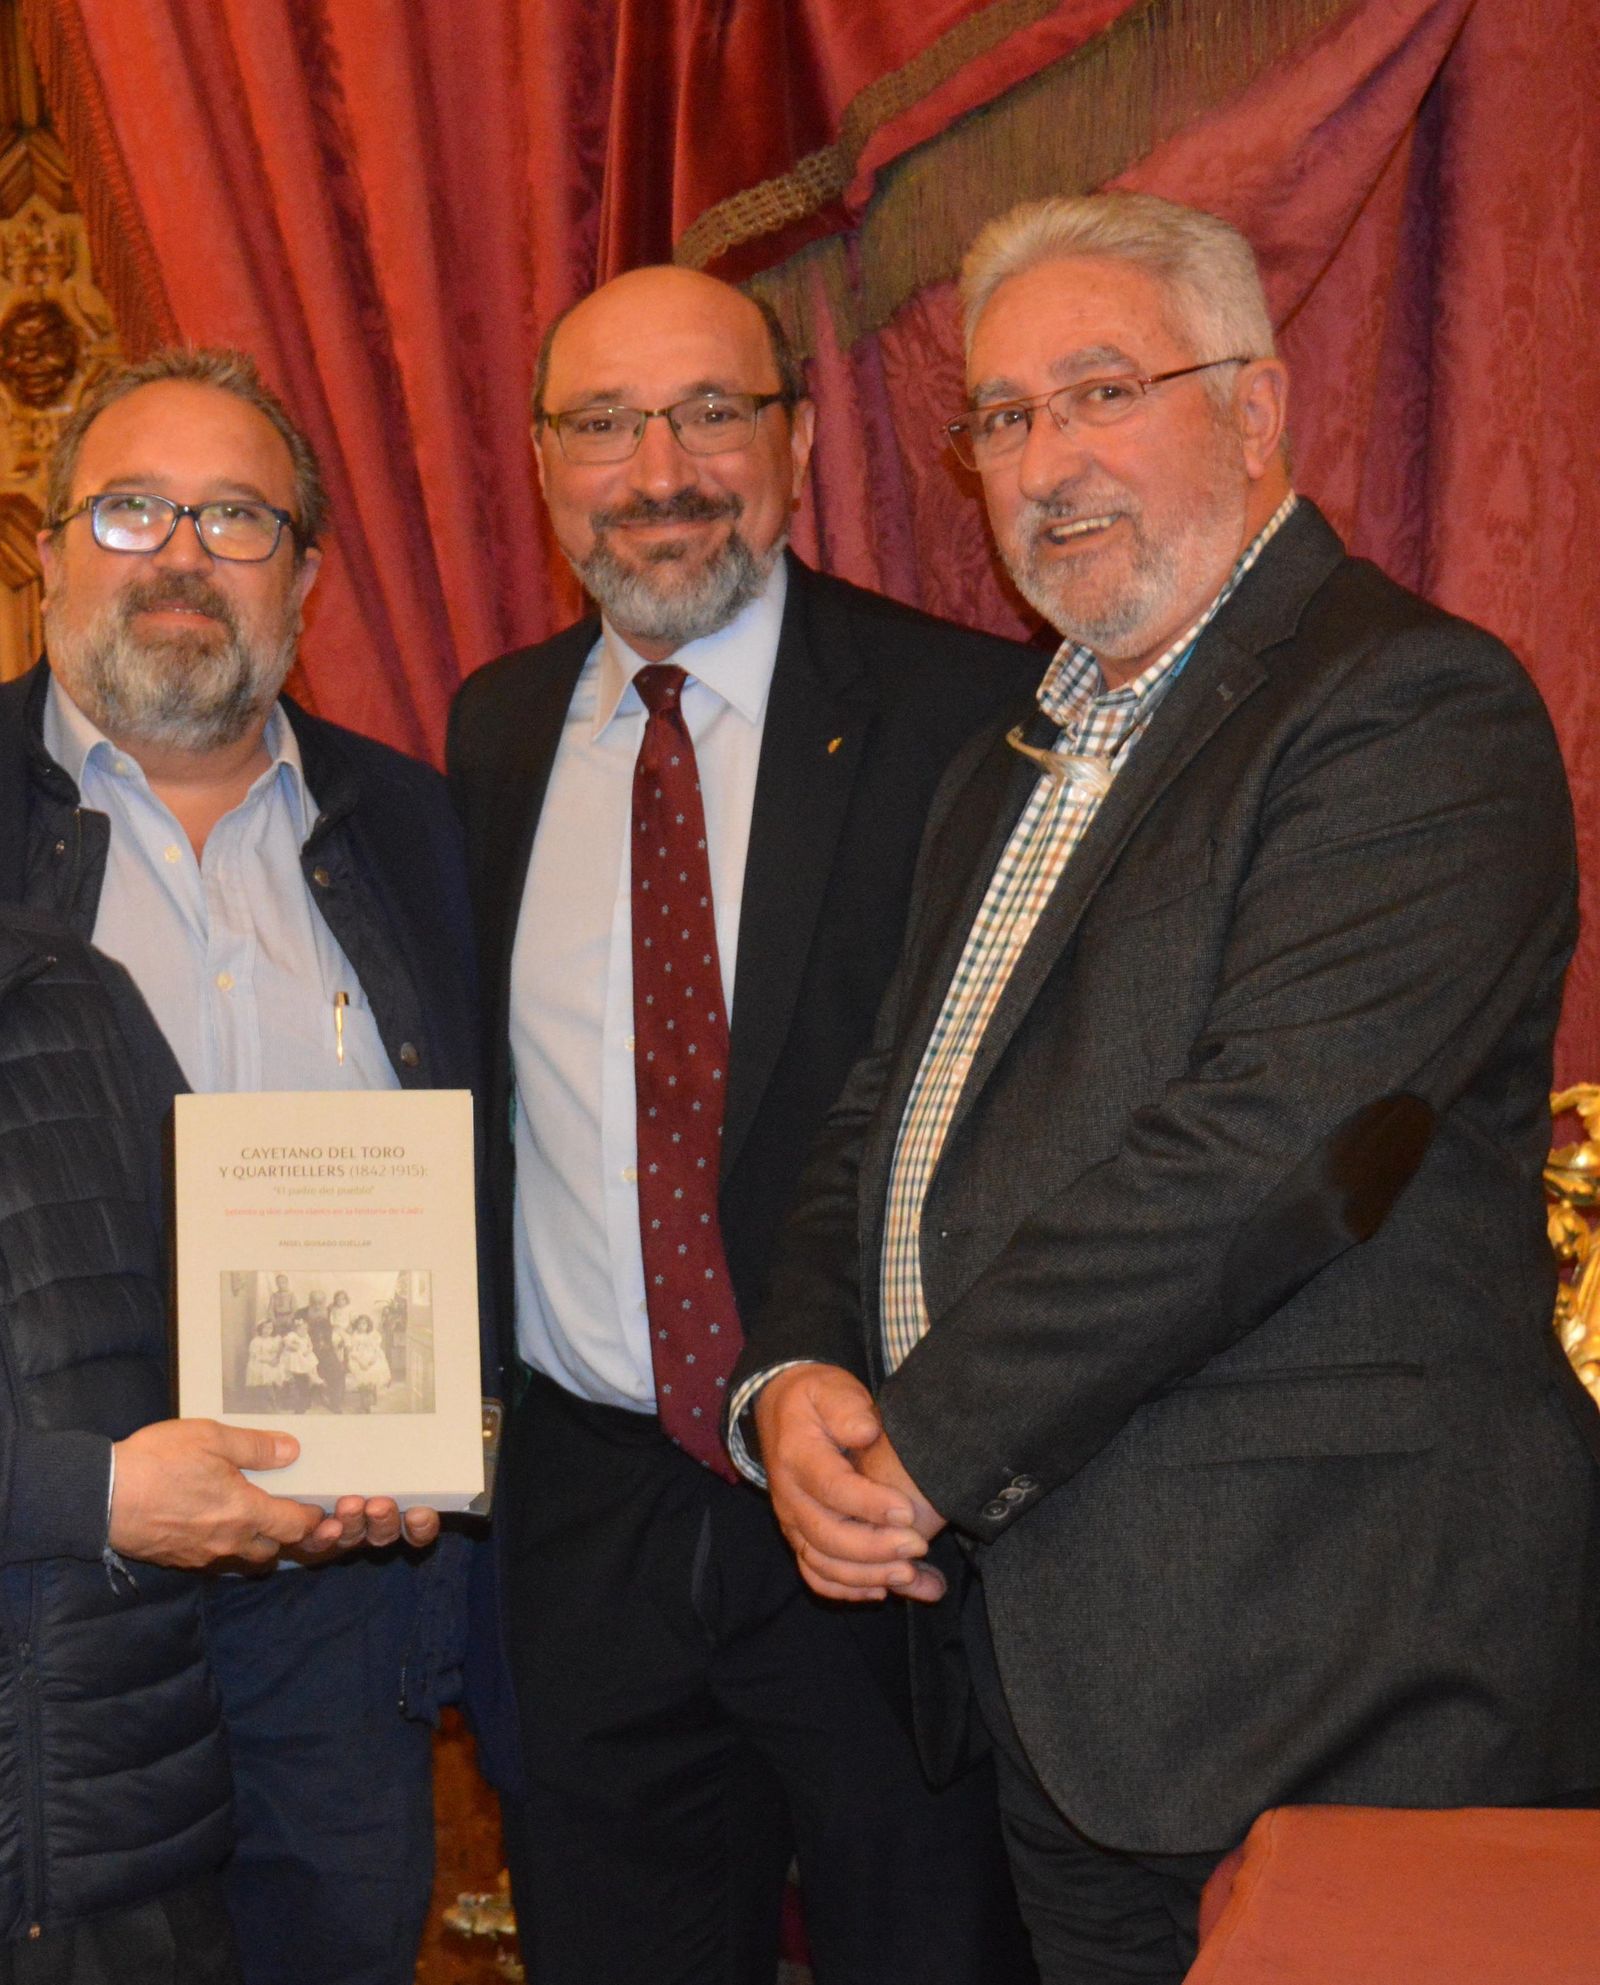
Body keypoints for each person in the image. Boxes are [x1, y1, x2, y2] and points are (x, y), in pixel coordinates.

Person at [739, 191, 1600, 1985]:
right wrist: (800, 1373)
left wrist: (920, 1442)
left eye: (1102, 391)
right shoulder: (1007, 761)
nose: (1046, 461)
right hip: (1072, 1691)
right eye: (1002, 417)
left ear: (1258, 408)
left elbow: (1274, 1156)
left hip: (1339, 1673)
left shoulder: (1408, 707)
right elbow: (882, 1117)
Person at [447, 262, 1041, 1985]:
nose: (661, 470)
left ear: (796, 441)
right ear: (543, 462)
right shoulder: (494, 731)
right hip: (589, 1518)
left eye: (712, 411)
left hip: (877, 1511)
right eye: (605, 424)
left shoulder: (963, 716)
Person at [0, 347, 484, 1985]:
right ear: (48, 551)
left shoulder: (421, 829)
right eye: (132, 510)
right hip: (49, 1605)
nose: (183, 556)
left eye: (237, 518)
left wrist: (445, 1426)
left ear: (309, 577)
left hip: (338, 1604)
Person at [0, 906, 376, 1980]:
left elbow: (218, 1308)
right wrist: (93, 1490)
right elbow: (110, 1485)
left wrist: (347, 1456)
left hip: (129, 1832)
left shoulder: (75, 990)